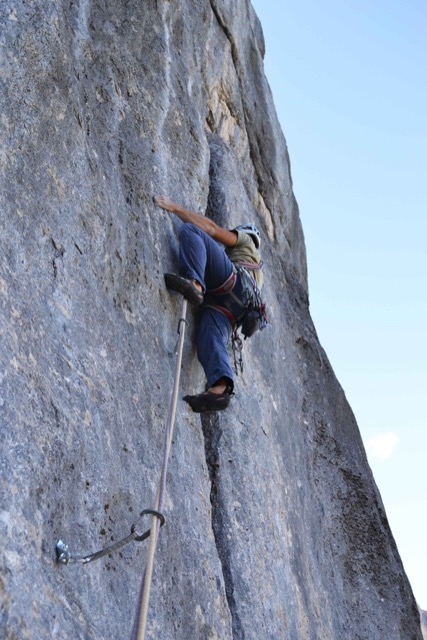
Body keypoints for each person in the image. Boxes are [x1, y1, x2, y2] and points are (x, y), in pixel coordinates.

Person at [154, 195, 265, 413]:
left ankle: (195, 284)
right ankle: (220, 388)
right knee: (210, 335)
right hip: (232, 311)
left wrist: (175, 207)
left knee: (191, 231)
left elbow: (212, 230)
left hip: (232, 284)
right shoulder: (258, 275)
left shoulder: (247, 242)